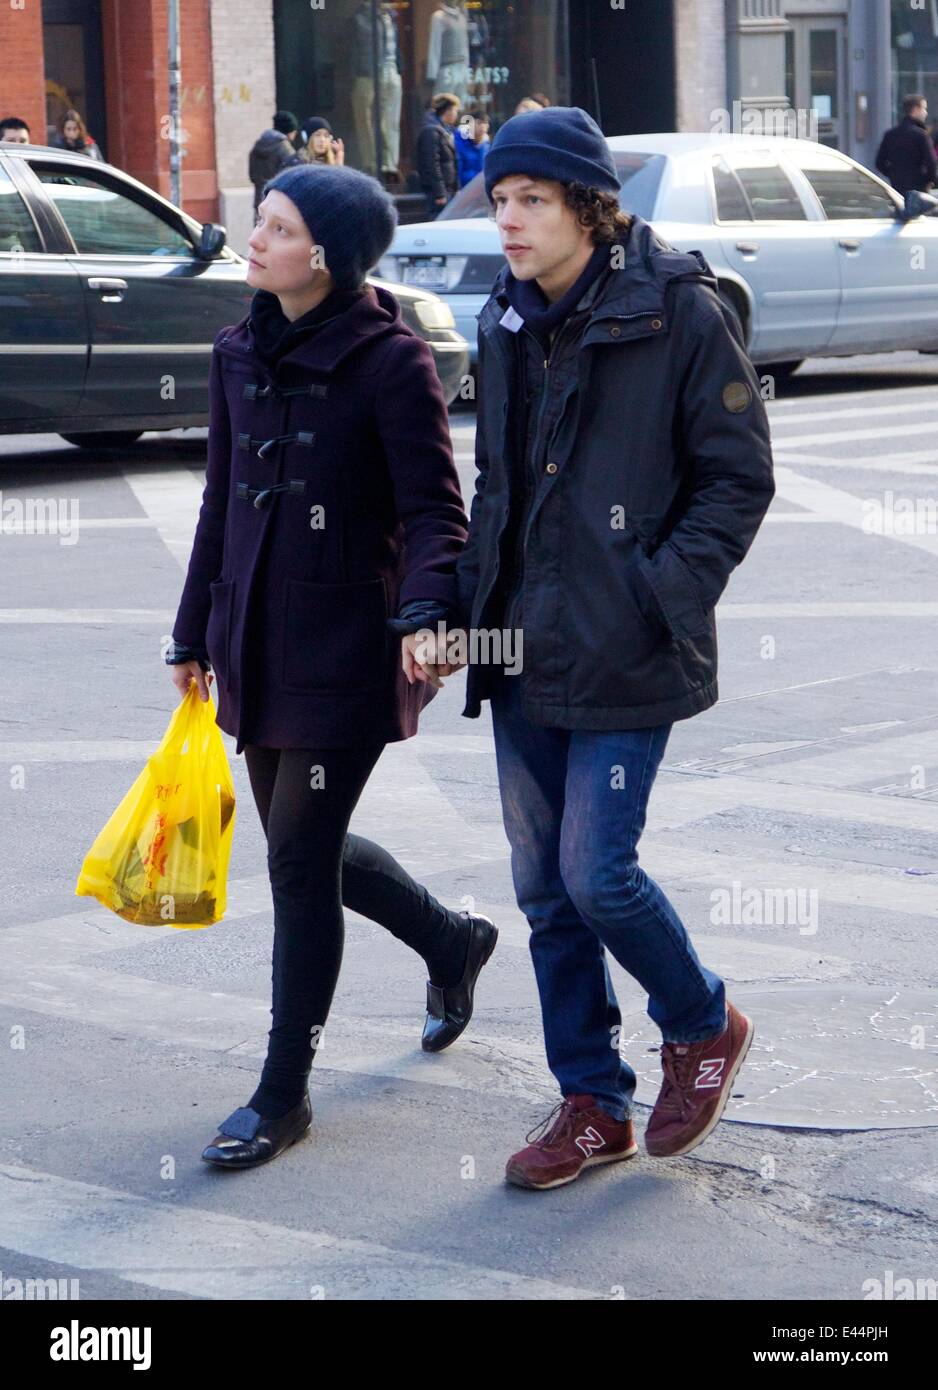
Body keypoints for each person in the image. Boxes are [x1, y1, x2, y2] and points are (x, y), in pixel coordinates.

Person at [429, 106, 775, 1190]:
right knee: (541, 891)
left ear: (588, 205)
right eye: (498, 201)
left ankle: (700, 1022)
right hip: (522, 640)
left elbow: (736, 474)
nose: (509, 221)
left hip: (626, 643)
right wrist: (458, 615)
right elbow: (498, 491)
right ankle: (592, 1100)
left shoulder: (675, 310)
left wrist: (656, 590)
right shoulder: (504, 318)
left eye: (531, 200)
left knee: (596, 872)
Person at [167, 163, 497, 1169]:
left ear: (326, 254)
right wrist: (191, 633)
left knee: (299, 863)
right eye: (257, 220)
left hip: (348, 647)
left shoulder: (388, 362)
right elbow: (221, 502)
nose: (252, 237)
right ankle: (448, 940)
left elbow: (437, 509)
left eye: (275, 225)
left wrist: (425, 613)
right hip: (254, 638)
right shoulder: (236, 350)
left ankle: (282, 1091)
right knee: (298, 846)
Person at [875, 93, 937, 196]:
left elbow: (879, 163)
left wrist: (894, 175)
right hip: (918, 191)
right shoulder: (921, 135)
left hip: (897, 189)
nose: (926, 113)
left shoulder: (890, 135)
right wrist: (927, 181)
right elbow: (932, 164)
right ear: (916, 109)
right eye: (924, 109)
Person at [248, 111, 304, 214]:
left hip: (259, 202)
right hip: (278, 205)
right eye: (294, 131)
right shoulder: (286, 150)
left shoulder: (258, 145)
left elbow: (252, 176)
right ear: (289, 131)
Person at [416, 92, 459, 217]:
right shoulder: (431, 131)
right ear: (448, 111)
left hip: (448, 190)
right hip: (439, 193)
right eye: (455, 110)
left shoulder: (446, 130)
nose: (456, 114)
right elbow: (431, 164)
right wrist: (439, 193)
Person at [454, 108, 490, 187]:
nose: (482, 126)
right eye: (479, 123)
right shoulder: (457, 141)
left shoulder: (487, 145)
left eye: (485, 123)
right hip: (463, 190)